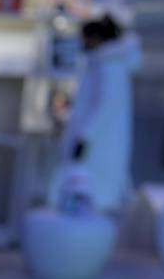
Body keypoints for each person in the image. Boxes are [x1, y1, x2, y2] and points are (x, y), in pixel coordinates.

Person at [54, 15, 140, 214]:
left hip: (97, 147)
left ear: (96, 38)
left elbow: (104, 108)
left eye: (84, 38)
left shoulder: (110, 68)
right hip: (94, 144)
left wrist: (85, 138)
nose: (82, 43)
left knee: (90, 196)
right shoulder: (101, 64)